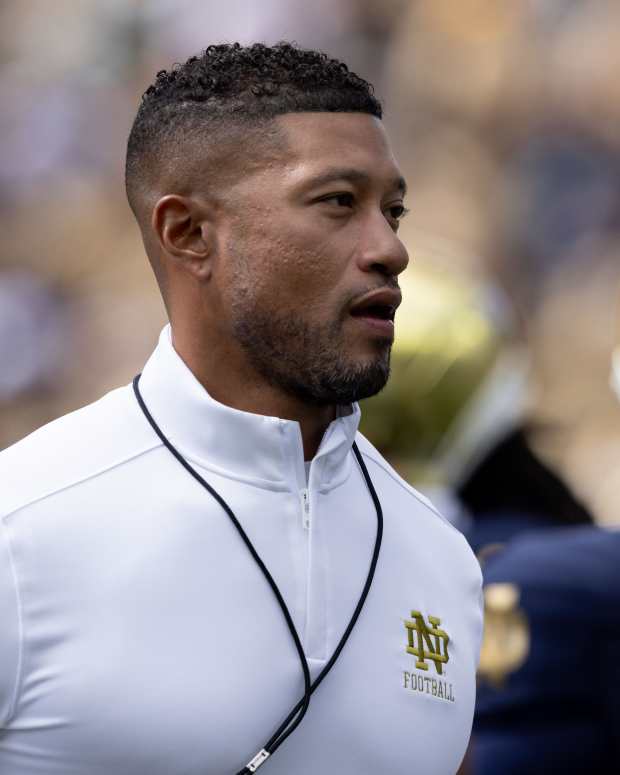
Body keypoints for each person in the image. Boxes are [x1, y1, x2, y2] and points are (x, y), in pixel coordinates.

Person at [0, 43, 483, 775]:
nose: (391, 248)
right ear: (188, 234)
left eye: (393, 209)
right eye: (337, 202)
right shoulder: (21, 528)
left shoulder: (443, 559)